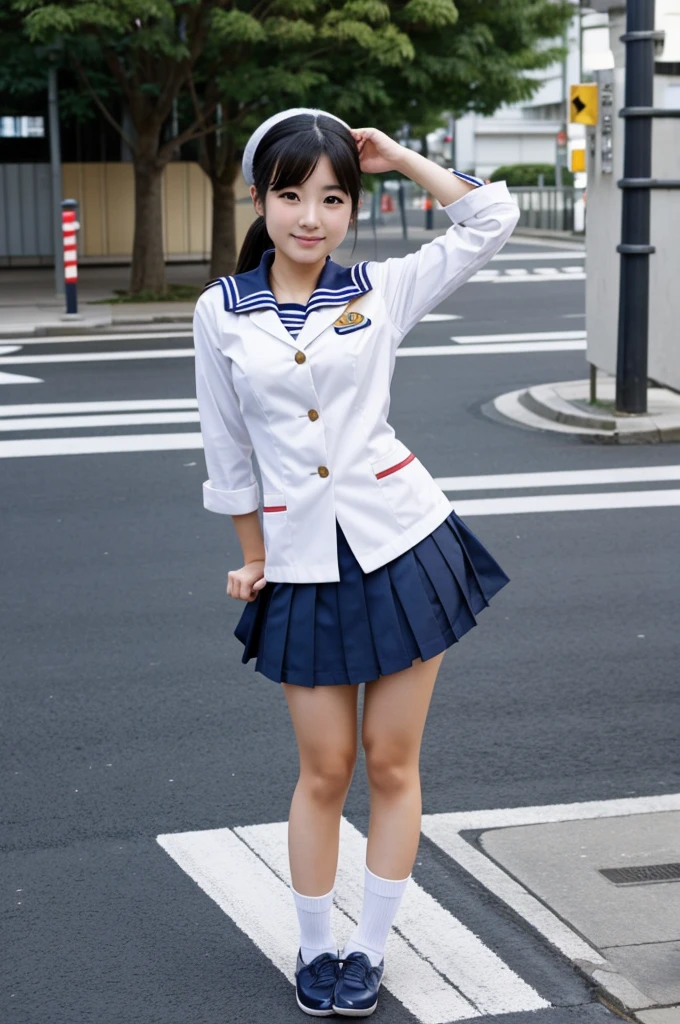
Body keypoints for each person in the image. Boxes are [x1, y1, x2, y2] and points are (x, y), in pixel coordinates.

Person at [193, 108, 520, 1018]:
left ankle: (368, 951)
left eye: (333, 197)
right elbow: (228, 448)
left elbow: (492, 221)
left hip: (404, 543)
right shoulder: (219, 312)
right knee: (325, 768)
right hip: (301, 561)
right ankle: (314, 946)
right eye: (291, 194)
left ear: (351, 205)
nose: (311, 216)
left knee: (390, 762)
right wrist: (251, 555)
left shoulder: (380, 288)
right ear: (259, 198)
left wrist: (400, 156)